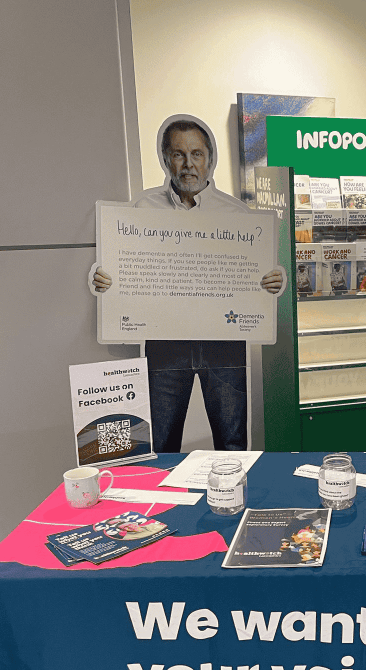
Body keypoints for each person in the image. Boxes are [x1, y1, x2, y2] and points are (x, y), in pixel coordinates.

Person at [92, 116, 284, 453]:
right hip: (166, 344)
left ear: (210, 158)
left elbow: (259, 279)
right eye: (178, 154)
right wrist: (102, 279)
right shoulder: (140, 210)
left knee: (233, 442)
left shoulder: (239, 214)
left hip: (225, 344)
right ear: (165, 158)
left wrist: (274, 282)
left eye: (196, 154)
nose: (188, 164)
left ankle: (233, 503)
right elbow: (118, 268)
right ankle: (164, 505)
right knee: (159, 442)